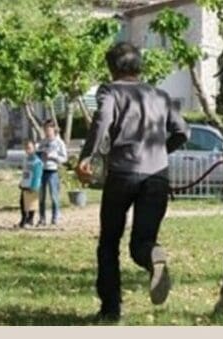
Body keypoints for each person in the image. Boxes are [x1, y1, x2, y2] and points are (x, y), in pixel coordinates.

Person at [76, 42, 190, 322]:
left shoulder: (111, 91)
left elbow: (102, 117)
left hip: (123, 174)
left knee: (109, 243)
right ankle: (153, 256)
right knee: (143, 242)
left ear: (112, 68)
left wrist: (86, 157)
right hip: (157, 177)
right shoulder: (161, 95)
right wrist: (161, 153)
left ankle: (111, 310)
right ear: (139, 66)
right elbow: (182, 131)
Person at [37, 120, 67, 226]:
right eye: (45, 129)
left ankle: (55, 217)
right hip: (42, 170)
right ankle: (42, 218)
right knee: (41, 196)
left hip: (53, 171)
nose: (47, 131)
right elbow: (38, 154)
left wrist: (53, 157)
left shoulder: (59, 142)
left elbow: (64, 158)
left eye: (49, 129)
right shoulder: (42, 142)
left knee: (54, 195)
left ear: (54, 129)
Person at [16, 140, 43, 228]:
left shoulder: (37, 161)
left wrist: (34, 186)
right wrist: (21, 182)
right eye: (26, 148)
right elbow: (25, 172)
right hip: (25, 184)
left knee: (31, 204)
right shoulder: (25, 159)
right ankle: (23, 220)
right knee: (23, 203)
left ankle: (30, 220)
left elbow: (37, 175)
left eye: (30, 148)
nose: (28, 150)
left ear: (34, 149)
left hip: (32, 185)